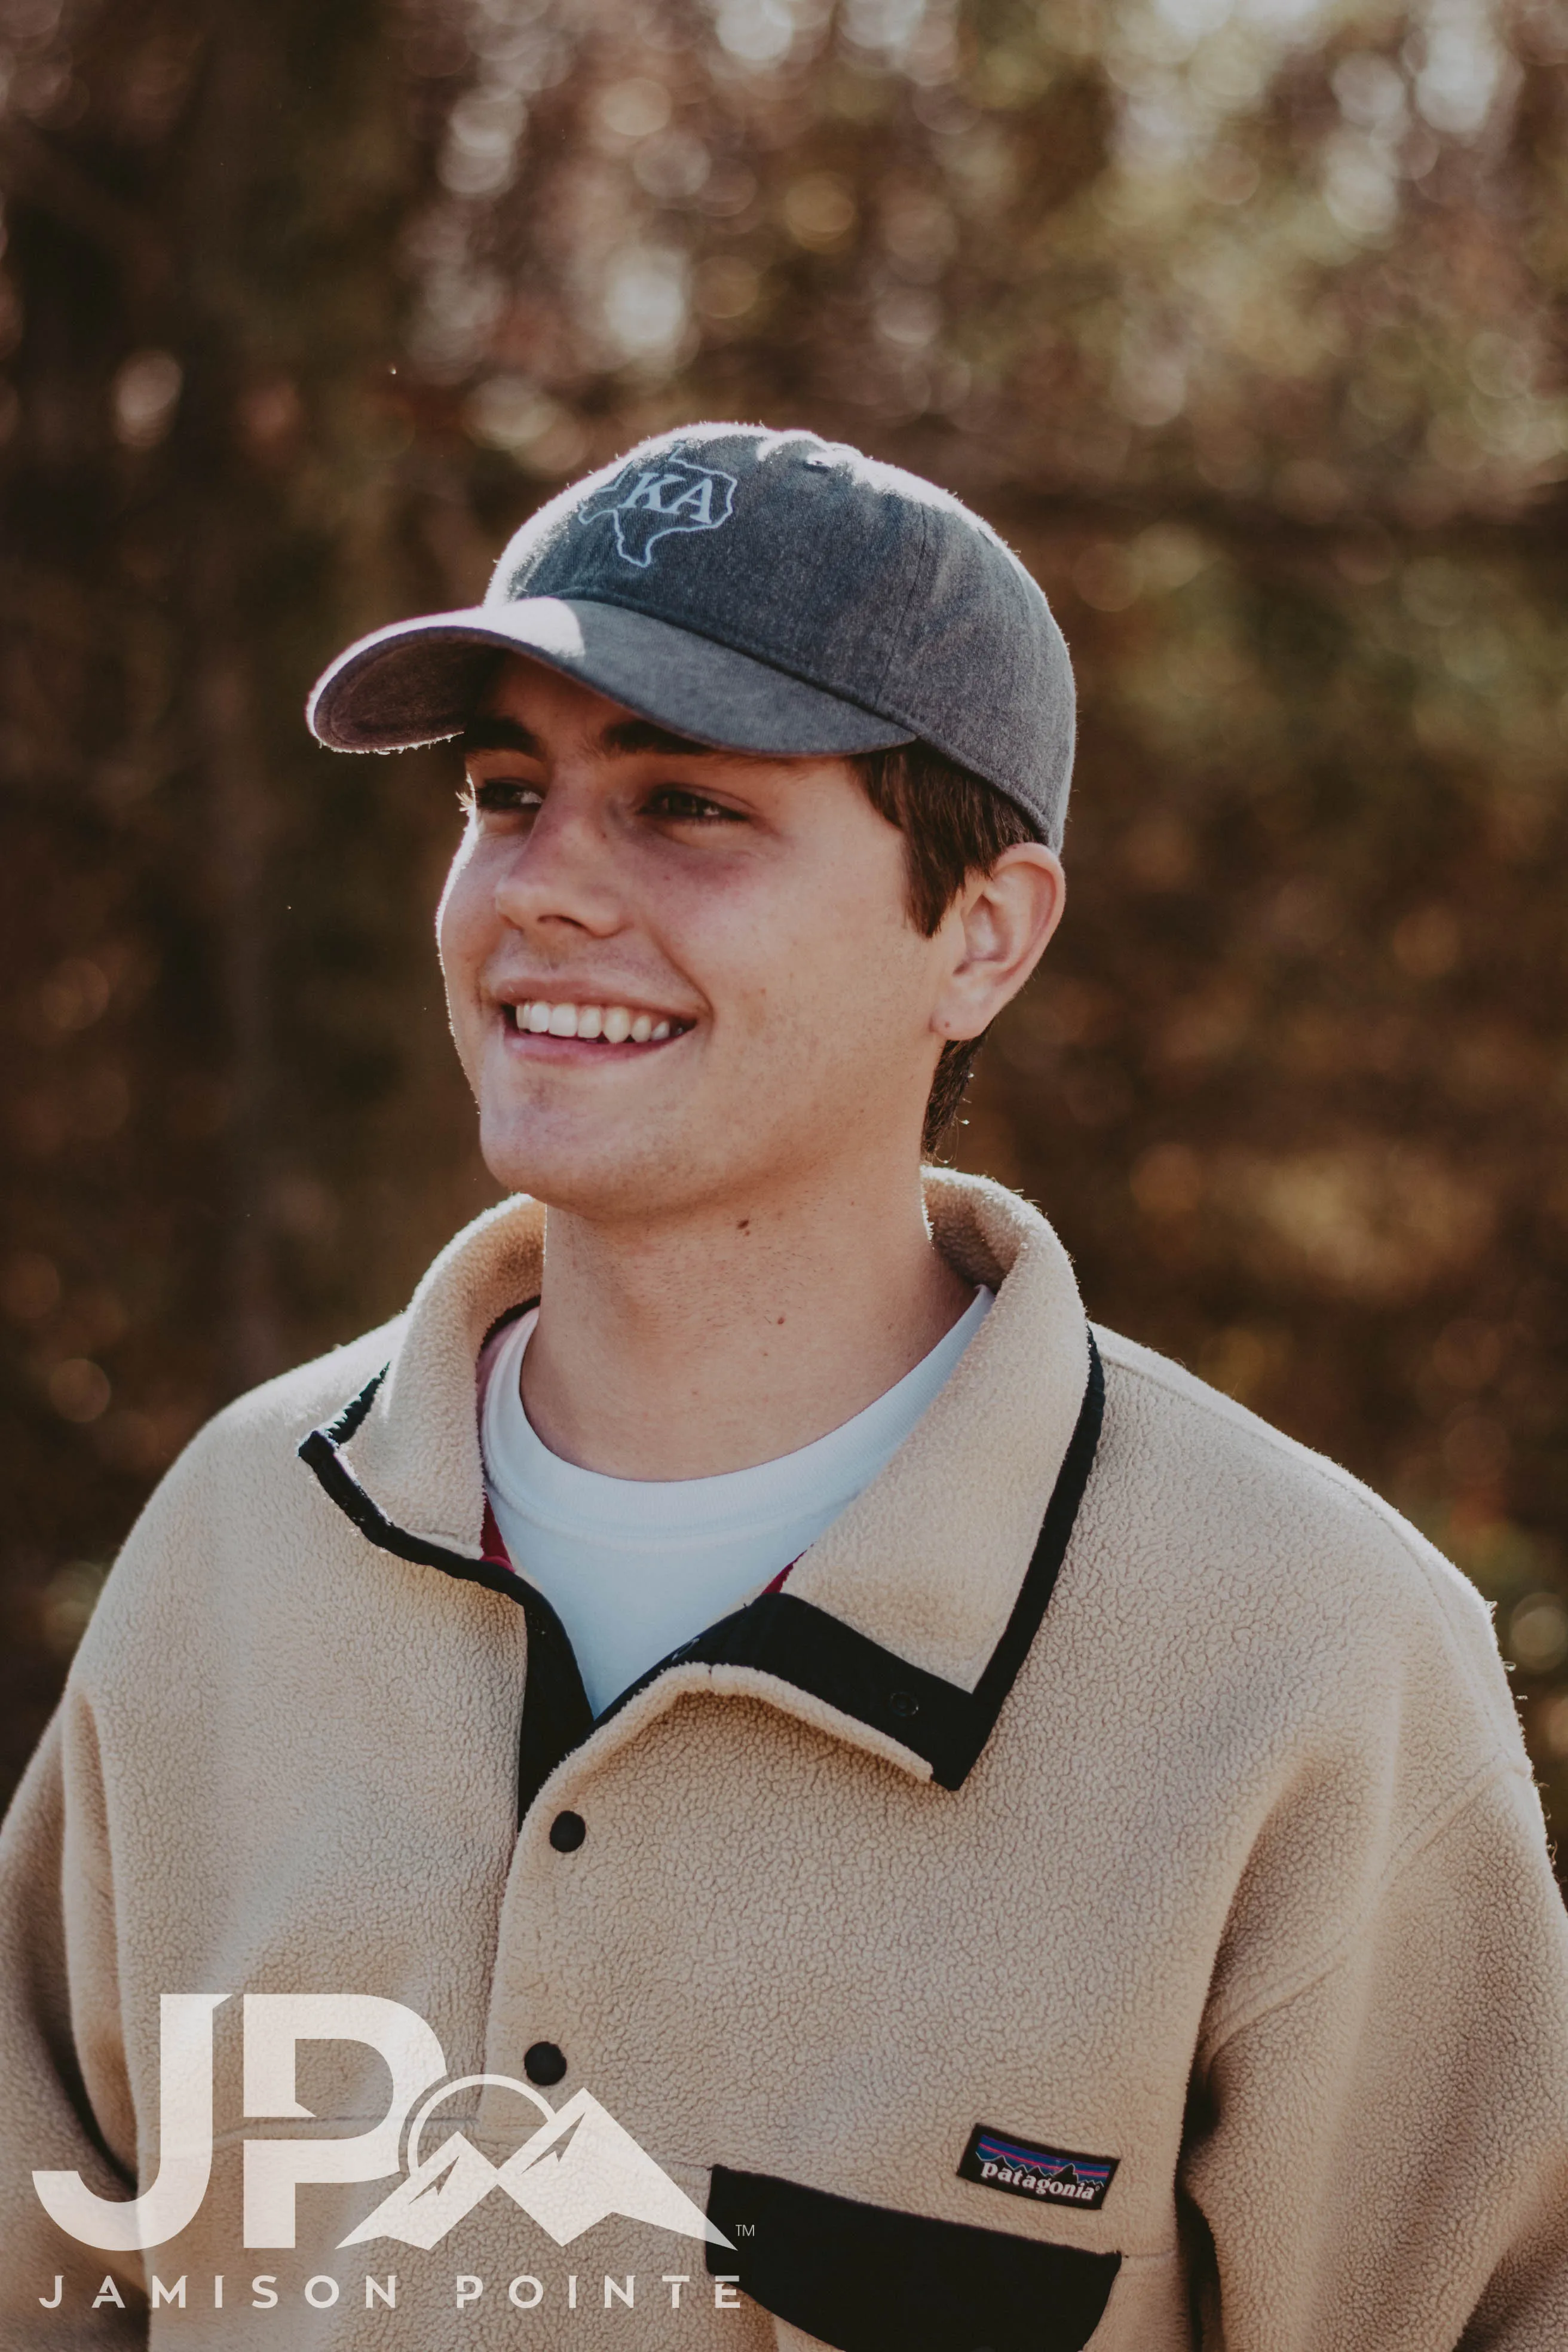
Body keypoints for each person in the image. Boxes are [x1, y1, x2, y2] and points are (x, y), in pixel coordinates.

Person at [1, 425, 1565, 2352]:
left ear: (980, 934)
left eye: (687, 807)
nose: (542, 889)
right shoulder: (239, 1539)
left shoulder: (1306, 1652)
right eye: (505, 791)